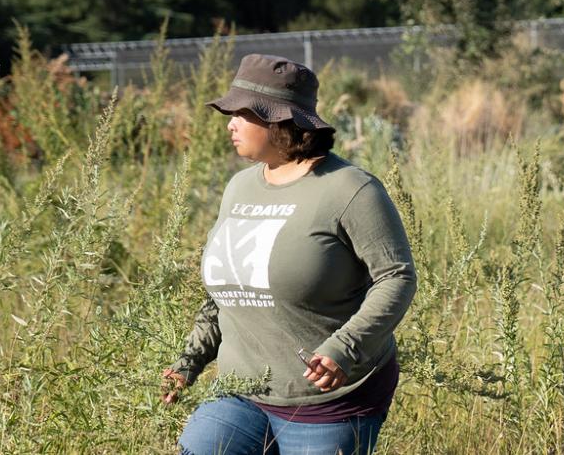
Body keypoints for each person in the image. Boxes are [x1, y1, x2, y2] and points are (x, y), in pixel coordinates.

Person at [160, 54, 417, 455]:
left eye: (241, 114)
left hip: (328, 404)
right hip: (240, 392)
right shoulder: (239, 188)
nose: (229, 124)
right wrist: (189, 361)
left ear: (278, 121)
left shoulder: (349, 189)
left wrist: (343, 349)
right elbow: (226, 292)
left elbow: (397, 276)